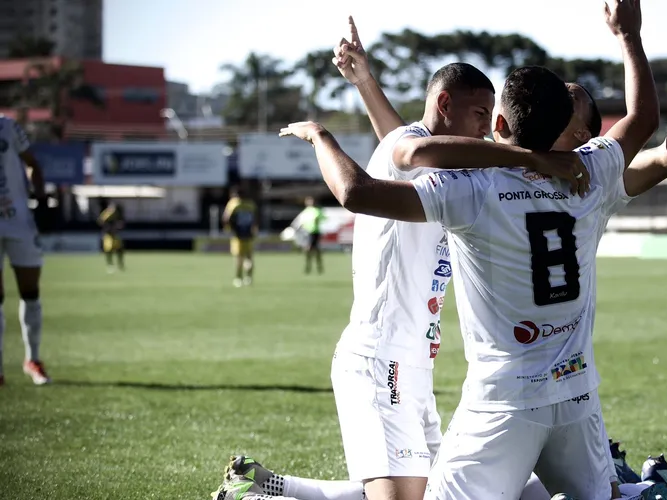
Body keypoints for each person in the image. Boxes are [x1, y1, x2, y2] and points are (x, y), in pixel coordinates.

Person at [211, 44, 591, 500]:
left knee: (436, 493)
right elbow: (405, 149)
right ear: (445, 105)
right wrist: (320, 135)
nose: (487, 127)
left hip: (414, 364)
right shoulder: (410, 148)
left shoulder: (445, 159)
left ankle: (269, 486)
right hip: (379, 358)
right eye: (479, 112)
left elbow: (414, 144)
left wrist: (366, 83)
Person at [0, 115, 49, 386]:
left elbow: (33, 165)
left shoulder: (8, 126)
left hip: (19, 221)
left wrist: (40, 197)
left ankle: (33, 359)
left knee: (30, 292)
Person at [222, 187, 258, 287]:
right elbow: (255, 219)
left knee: (239, 258)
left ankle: (238, 278)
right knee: (249, 257)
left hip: (237, 234)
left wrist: (228, 229)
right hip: (249, 234)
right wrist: (254, 230)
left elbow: (226, 218)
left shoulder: (234, 204)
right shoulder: (250, 204)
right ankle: (249, 278)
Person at [292, 196, 326, 274]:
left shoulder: (317, 210)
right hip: (307, 232)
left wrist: (317, 220)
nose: (310, 202)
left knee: (311, 249)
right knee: (310, 249)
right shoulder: (305, 212)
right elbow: (300, 221)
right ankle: (311, 265)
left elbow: (323, 218)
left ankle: (315, 266)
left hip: (315, 232)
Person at [98, 200, 125, 272]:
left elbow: (120, 222)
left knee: (120, 249)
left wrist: (119, 225)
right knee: (108, 249)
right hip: (108, 235)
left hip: (115, 234)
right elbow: (100, 221)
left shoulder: (116, 214)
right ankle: (110, 265)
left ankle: (120, 264)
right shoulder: (106, 214)